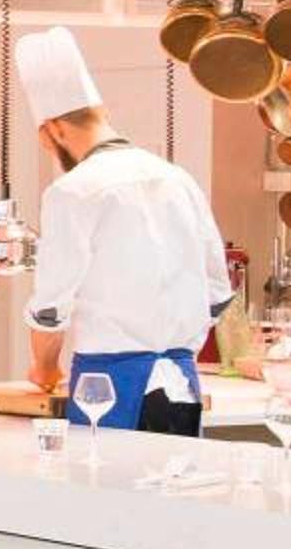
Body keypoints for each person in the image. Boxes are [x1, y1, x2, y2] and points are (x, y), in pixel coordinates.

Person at [15, 26, 233, 435]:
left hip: (109, 386)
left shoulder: (72, 191)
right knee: (178, 476)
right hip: (181, 385)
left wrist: (44, 367)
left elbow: (50, 307)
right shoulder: (178, 179)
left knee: (105, 476)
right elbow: (218, 294)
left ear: (54, 130)